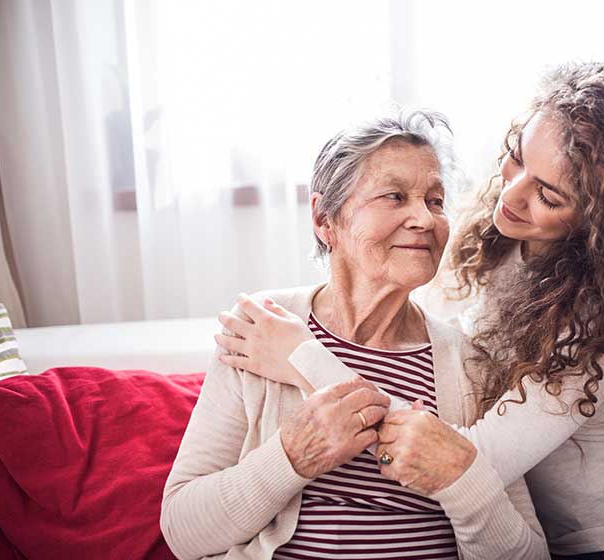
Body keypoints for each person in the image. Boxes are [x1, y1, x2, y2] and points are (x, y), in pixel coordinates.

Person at [217, 62, 604, 559]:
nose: (512, 193)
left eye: (549, 195)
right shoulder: (491, 237)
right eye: (516, 156)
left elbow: (463, 460)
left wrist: (302, 358)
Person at [160, 109, 550, 560]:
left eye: (436, 201)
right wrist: (292, 456)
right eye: (395, 196)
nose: (424, 218)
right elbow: (183, 530)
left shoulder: (470, 365)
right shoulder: (262, 326)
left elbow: (528, 555)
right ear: (326, 218)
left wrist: (459, 476)